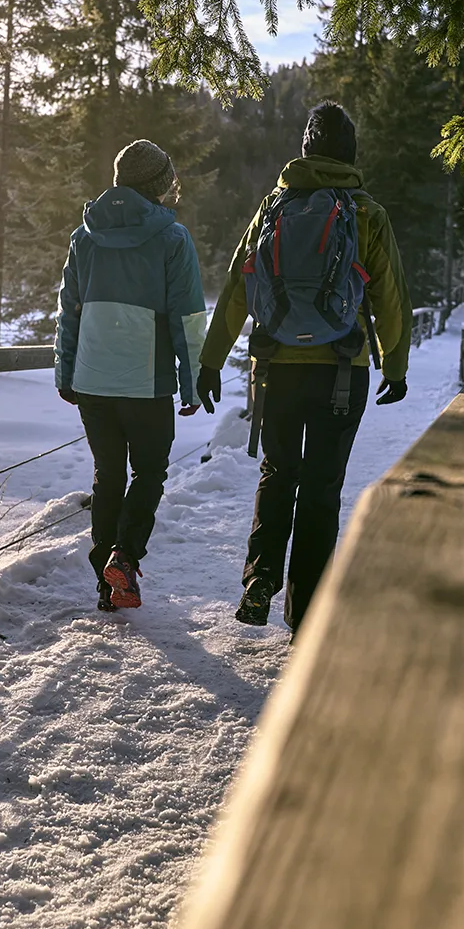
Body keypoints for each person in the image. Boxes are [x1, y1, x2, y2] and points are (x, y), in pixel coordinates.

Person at [195, 102, 411, 629]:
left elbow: (236, 289)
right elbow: (391, 298)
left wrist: (210, 362)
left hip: (276, 371)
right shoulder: (366, 213)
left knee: (277, 473)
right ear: (351, 154)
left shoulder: (274, 206)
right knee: (321, 488)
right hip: (343, 370)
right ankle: (307, 612)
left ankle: (260, 577)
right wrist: (395, 367)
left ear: (306, 150)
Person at [55, 139, 209, 611]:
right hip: (146, 383)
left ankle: (107, 584)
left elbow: (69, 312)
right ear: (159, 185)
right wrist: (192, 379)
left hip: (92, 382)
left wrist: (66, 371)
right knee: (148, 473)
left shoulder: (85, 236)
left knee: (108, 477)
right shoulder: (172, 238)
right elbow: (187, 317)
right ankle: (123, 557)